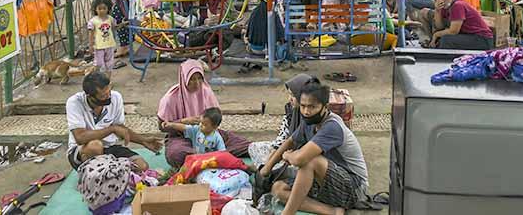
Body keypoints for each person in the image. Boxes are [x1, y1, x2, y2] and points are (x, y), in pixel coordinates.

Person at [263, 79, 368, 215]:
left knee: (310, 160)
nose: (306, 111)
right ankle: (333, 211)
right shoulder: (310, 121)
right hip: (327, 181)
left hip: (354, 187)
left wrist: (288, 155)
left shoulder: (332, 126)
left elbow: (300, 159)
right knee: (278, 188)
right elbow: (290, 141)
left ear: (325, 106)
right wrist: (266, 168)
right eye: (303, 106)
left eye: (312, 107)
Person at [157, 59, 250, 167]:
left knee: (244, 145)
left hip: (207, 132)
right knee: (176, 154)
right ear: (184, 78)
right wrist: (184, 121)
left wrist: (208, 122)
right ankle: (213, 157)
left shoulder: (206, 91)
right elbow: (162, 126)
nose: (197, 83)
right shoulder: (171, 97)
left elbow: (216, 116)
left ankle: (202, 159)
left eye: (200, 78)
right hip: (181, 137)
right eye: (192, 79)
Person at [66, 71, 163, 170]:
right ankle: (92, 176)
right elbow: (80, 137)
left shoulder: (115, 97)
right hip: (82, 150)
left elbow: (120, 128)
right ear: (89, 96)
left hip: (109, 147)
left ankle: (110, 172)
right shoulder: (74, 102)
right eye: (103, 96)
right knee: (95, 146)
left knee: (141, 166)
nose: (109, 97)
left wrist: (143, 140)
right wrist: (112, 129)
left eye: (109, 91)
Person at [248, 74, 312, 168]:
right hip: (287, 149)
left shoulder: (311, 116)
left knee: (289, 165)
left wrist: (285, 155)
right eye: (289, 94)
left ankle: (268, 169)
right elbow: (283, 135)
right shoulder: (290, 109)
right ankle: (266, 168)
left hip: (300, 155)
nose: (290, 99)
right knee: (254, 147)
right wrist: (275, 151)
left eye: (294, 95)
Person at [429, 0, 494, 50]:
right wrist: (437, 10)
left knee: (446, 40)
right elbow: (440, 26)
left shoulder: (458, 5)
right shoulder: (445, 7)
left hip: (482, 39)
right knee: (443, 38)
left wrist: (436, 35)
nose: (439, 1)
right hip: (469, 36)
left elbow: (453, 31)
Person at [162, 107, 226, 154]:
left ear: (214, 127)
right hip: (196, 159)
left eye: (204, 125)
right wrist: (171, 124)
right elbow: (184, 127)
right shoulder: (197, 130)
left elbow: (223, 152)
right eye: (201, 122)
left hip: (210, 162)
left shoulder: (217, 138)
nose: (201, 125)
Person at [88, 0, 122, 76]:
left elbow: (115, 27)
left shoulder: (111, 19)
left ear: (108, 9)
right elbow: (91, 34)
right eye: (99, 8)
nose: (102, 10)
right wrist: (91, 45)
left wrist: (123, 24)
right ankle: (100, 79)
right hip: (99, 46)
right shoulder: (93, 21)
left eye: (104, 8)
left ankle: (108, 81)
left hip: (110, 45)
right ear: (95, 9)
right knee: (99, 64)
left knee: (109, 64)